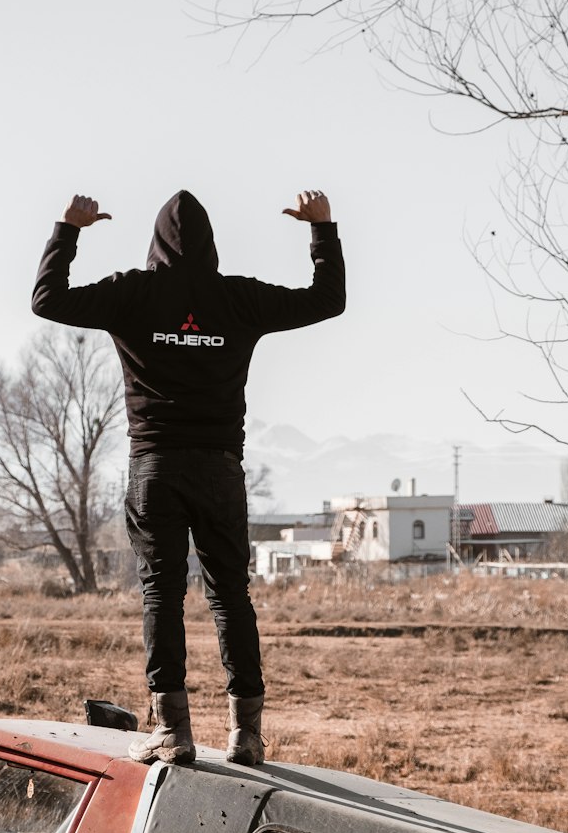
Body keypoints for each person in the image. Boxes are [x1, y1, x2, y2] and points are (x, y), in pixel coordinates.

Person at [32, 188, 345, 767]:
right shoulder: (238, 299)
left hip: (155, 467)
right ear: (211, 245)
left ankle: (173, 733)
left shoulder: (132, 294)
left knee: (162, 594)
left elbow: (47, 300)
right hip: (221, 469)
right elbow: (327, 300)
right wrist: (321, 229)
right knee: (231, 596)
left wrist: (68, 229)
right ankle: (246, 735)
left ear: (156, 243)